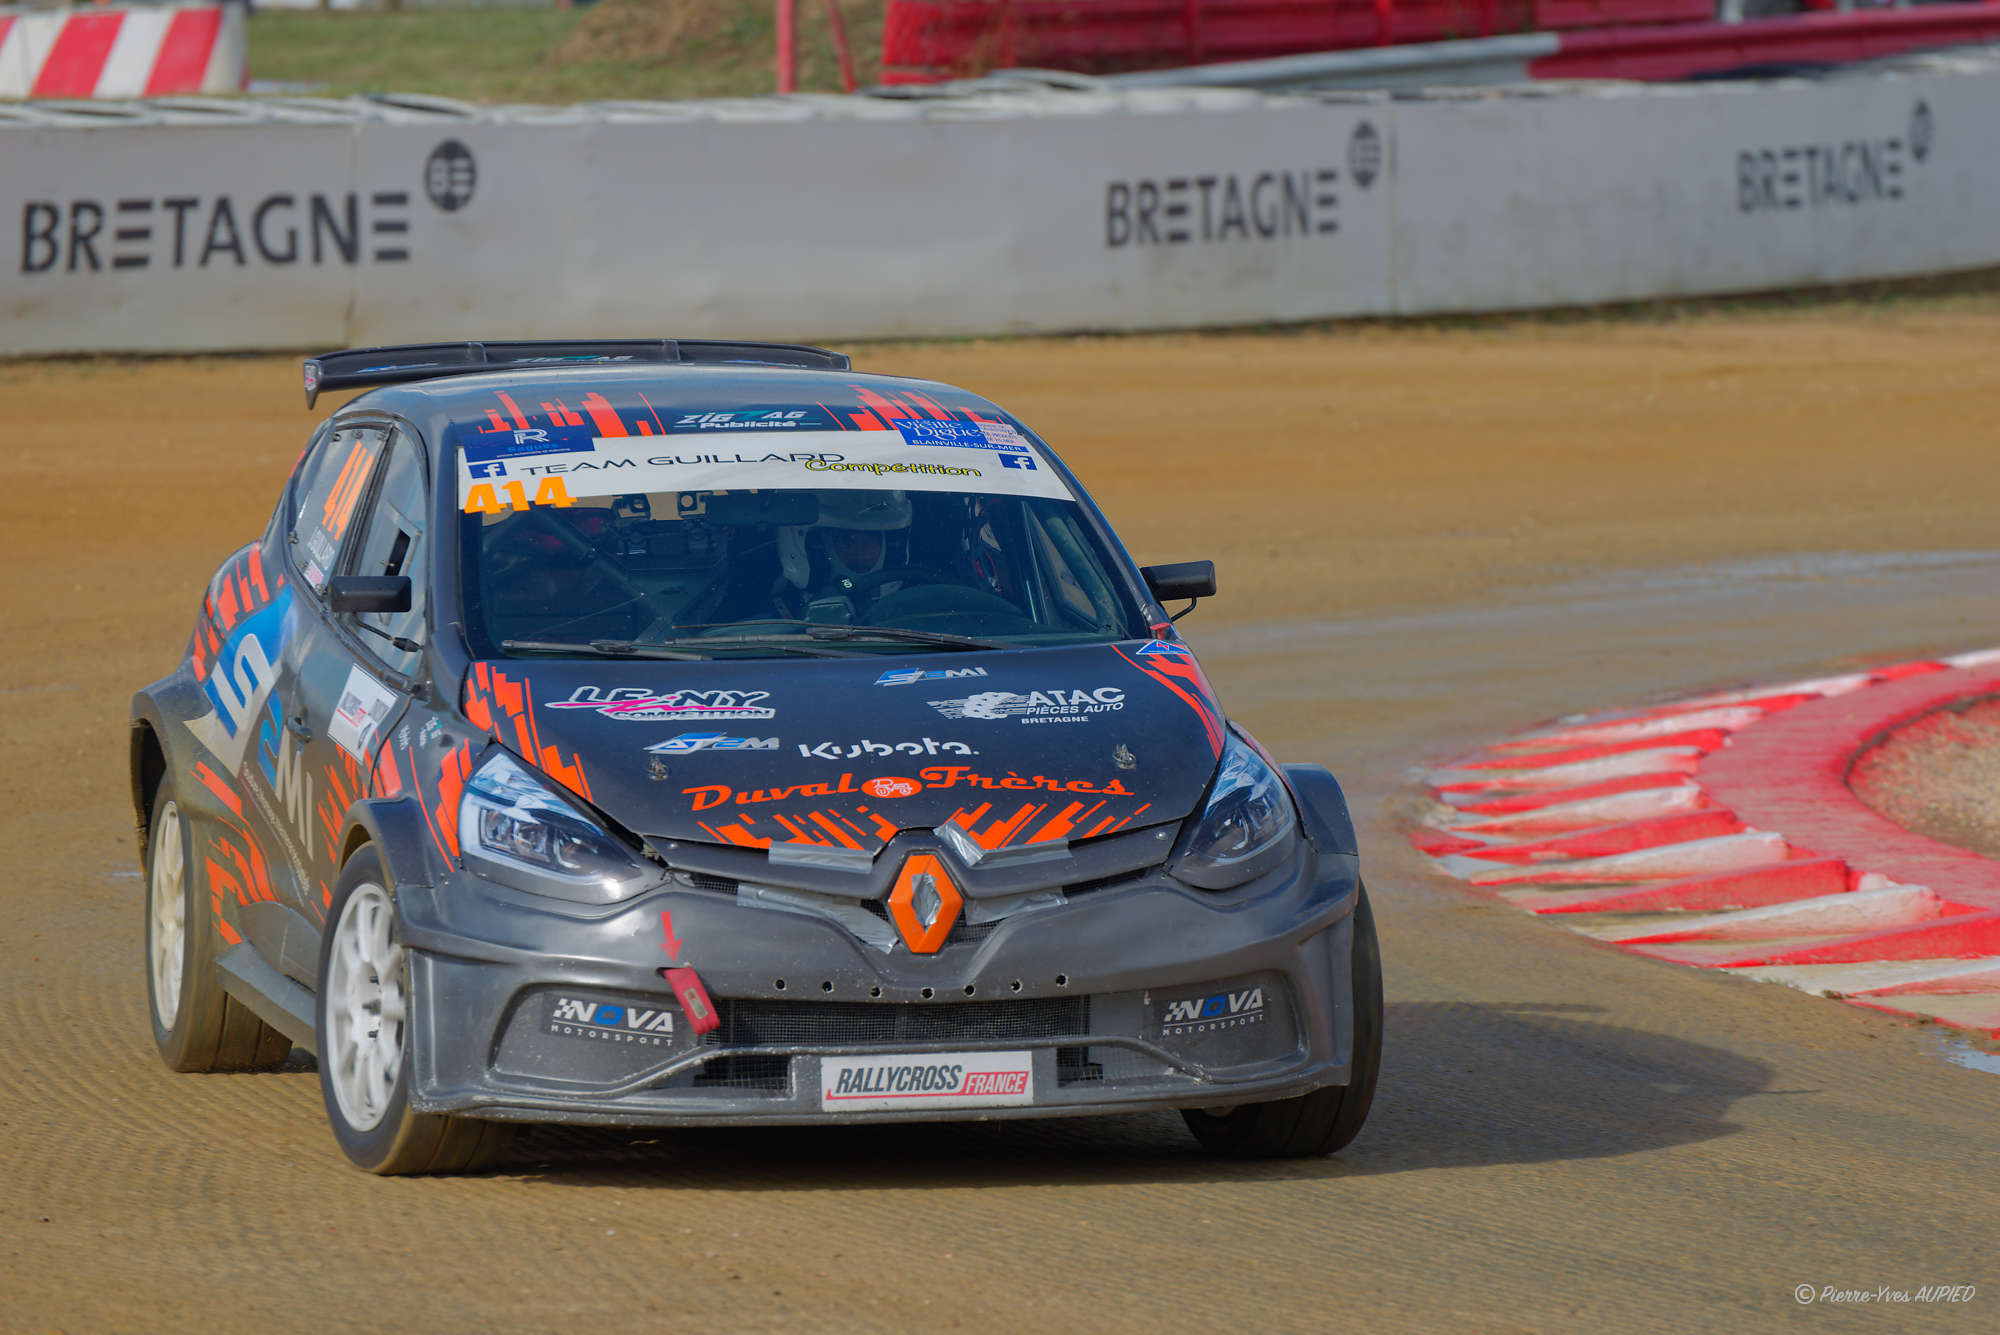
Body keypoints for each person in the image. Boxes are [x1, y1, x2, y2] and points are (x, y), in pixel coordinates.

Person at [775, 489, 914, 622]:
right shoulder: (770, 621)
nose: (860, 548)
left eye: (872, 537)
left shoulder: (917, 605)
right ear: (816, 546)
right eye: (848, 537)